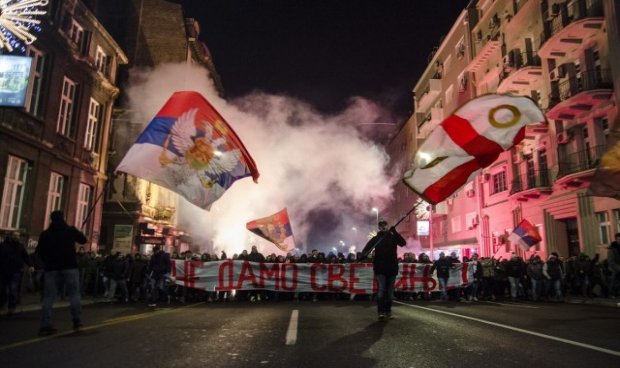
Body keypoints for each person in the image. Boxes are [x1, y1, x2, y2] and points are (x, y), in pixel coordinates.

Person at [35, 211, 88, 336]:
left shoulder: (46, 234)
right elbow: (83, 240)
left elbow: (39, 251)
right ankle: (77, 321)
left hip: (52, 268)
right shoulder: (70, 231)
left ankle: (45, 325)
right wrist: (77, 232)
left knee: (48, 297)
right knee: (74, 294)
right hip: (69, 266)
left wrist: (47, 261)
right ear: (63, 218)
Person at [361, 220, 406, 320]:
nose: (383, 227)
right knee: (381, 290)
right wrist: (362, 256)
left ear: (387, 226)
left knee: (389, 292)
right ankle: (381, 312)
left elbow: (403, 243)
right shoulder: (376, 238)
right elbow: (367, 248)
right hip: (380, 268)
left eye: (385, 225)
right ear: (379, 227)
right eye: (381, 225)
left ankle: (388, 311)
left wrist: (395, 232)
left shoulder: (393, 237)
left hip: (392, 267)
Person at [0, 231, 33, 316]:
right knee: (4, 289)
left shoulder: (20, 246)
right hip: (5, 270)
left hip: (15, 270)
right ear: (10, 236)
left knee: (12, 289)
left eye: (18, 235)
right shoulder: (3, 246)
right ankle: (4, 304)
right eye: (15, 235)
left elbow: (25, 256)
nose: (17, 237)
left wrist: (30, 265)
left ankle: (11, 307)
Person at [607, 233, 620, 298]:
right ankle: (611, 293)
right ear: (616, 239)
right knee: (614, 277)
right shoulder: (612, 249)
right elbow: (611, 261)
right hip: (613, 267)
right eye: (619, 239)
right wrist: (618, 267)